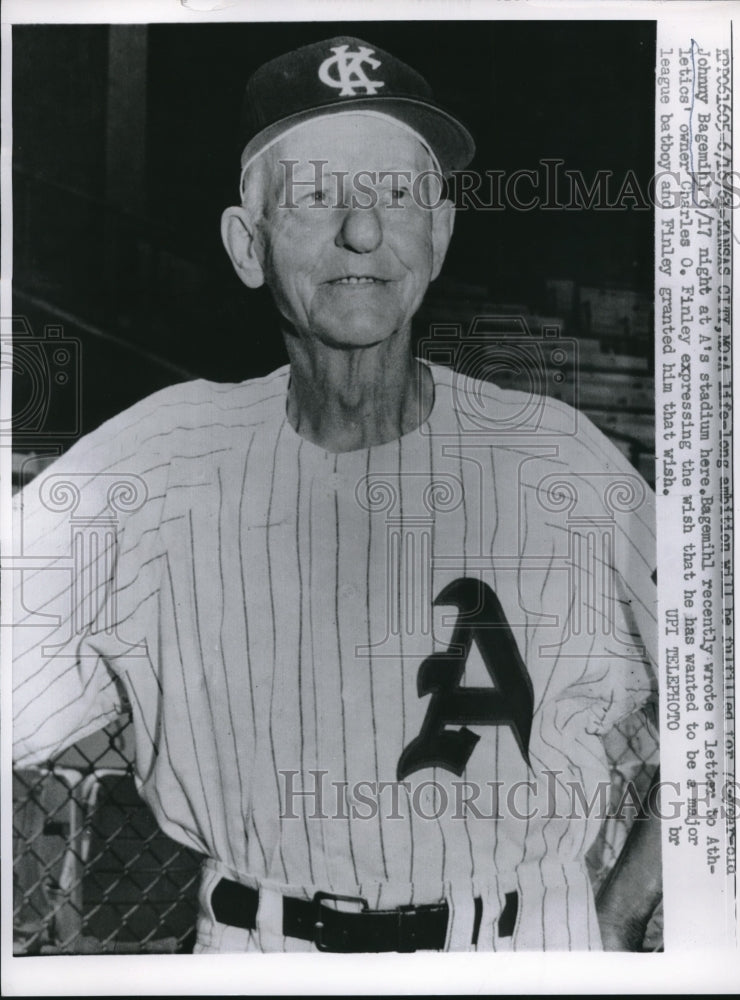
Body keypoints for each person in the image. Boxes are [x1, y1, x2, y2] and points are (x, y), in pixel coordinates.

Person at [12, 35, 661, 953]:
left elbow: (731, 697)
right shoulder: (149, 464)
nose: (362, 232)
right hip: (257, 946)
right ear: (247, 246)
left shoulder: (556, 458)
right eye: (317, 197)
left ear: (438, 236)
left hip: (520, 946)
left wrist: (622, 912)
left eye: (395, 195)